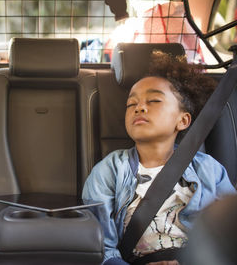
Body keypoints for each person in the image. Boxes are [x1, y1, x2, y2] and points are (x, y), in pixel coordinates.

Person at [82, 51, 236, 265]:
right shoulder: (110, 171)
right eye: (131, 104)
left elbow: (229, 229)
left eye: (154, 100)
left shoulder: (209, 169)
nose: (140, 107)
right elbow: (100, 246)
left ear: (183, 120)